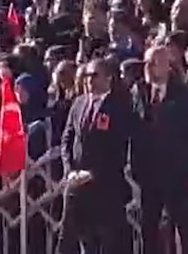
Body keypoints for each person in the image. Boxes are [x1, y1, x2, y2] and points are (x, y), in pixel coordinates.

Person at [132, 45, 188, 254]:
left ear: (167, 66)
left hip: (177, 175)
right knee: (148, 230)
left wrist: (186, 161)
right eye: (145, 63)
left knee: (185, 229)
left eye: (153, 63)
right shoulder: (138, 92)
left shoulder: (185, 95)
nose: (148, 68)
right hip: (148, 175)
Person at [60, 57, 136, 254]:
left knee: (108, 241)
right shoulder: (78, 103)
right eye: (86, 76)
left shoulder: (119, 106)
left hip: (105, 187)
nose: (89, 80)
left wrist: (94, 173)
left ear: (108, 78)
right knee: (80, 239)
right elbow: (67, 139)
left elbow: (118, 147)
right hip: (77, 186)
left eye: (94, 75)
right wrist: (70, 170)